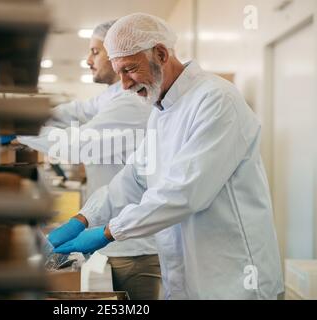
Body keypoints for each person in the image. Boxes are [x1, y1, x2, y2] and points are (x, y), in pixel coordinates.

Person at [50, 13, 284, 300]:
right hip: (187, 278)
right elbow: (135, 177)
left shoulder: (216, 100)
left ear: (160, 53)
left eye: (130, 69)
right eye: (118, 72)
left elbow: (184, 192)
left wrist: (109, 232)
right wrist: (84, 218)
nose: (124, 84)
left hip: (233, 279)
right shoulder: (161, 109)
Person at [17, 20, 161, 300]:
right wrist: (26, 116)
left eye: (95, 51)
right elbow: (75, 111)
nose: (88, 60)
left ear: (117, 52)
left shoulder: (131, 100)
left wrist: (18, 132)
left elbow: (80, 144)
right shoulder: (111, 96)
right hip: (114, 233)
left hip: (133, 246)